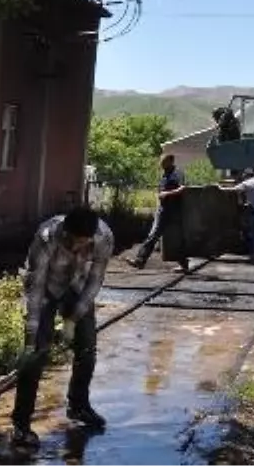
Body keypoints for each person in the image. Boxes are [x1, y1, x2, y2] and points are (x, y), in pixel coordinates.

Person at [11, 205, 114, 448]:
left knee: (87, 349)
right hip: (48, 288)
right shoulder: (46, 237)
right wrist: (31, 338)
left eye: (83, 243)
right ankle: (21, 425)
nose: (77, 248)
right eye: (72, 242)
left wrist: (73, 319)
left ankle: (78, 407)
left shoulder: (104, 238)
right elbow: (35, 288)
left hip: (78, 289)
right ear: (65, 232)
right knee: (35, 355)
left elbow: (95, 281)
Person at [124, 154, 189, 273]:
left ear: (171, 161)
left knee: (171, 237)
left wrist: (167, 194)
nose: (161, 164)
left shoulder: (177, 173)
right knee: (156, 235)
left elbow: (183, 188)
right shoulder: (165, 174)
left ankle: (141, 260)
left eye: (163, 162)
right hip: (163, 209)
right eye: (161, 162)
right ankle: (140, 260)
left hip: (173, 210)